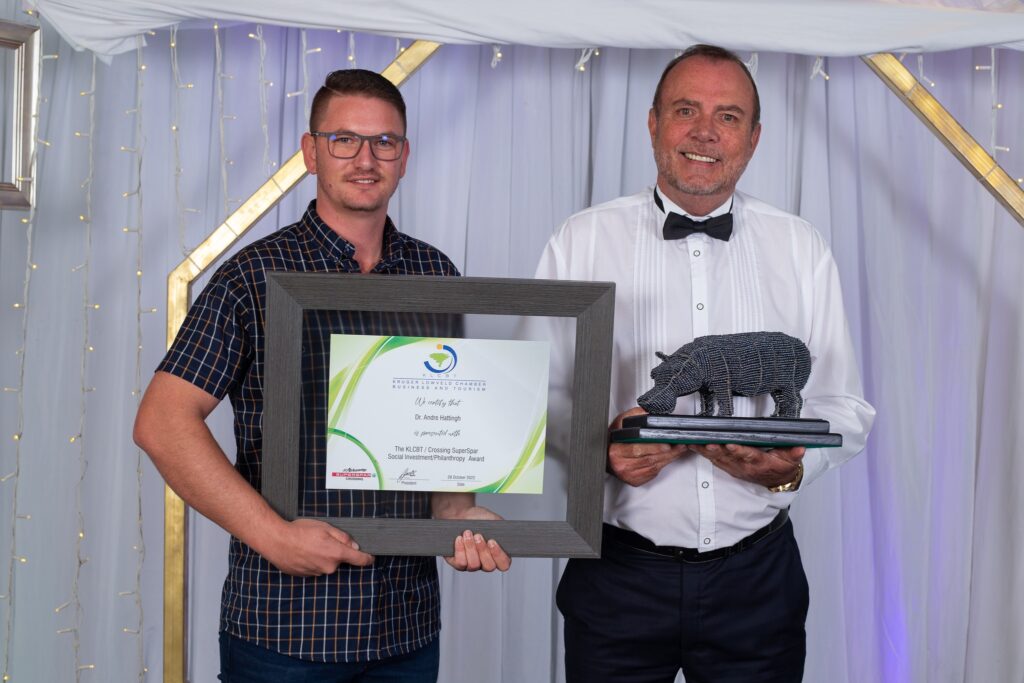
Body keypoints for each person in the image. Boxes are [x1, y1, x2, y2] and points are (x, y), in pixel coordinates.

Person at [134, 69, 509, 683]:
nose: (366, 158)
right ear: (311, 152)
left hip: (406, 628)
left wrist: (456, 517)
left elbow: (439, 426)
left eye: (384, 141)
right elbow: (162, 423)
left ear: (404, 157)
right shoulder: (253, 276)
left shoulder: (435, 273)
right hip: (285, 630)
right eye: (344, 140)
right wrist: (275, 536)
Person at [534, 45, 875, 682]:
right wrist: (598, 450)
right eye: (686, 110)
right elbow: (540, 393)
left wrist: (791, 470)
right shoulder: (581, 239)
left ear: (754, 137)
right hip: (617, 576)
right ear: (653, 122)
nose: (705, 132)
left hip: (759, 578)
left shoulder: (800, 246)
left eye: (728, 116)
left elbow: (844, 404)